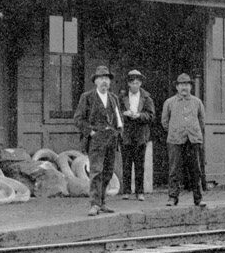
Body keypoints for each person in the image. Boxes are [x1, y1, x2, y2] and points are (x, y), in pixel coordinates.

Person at [73, 65, 124, 216]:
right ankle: (94, 204)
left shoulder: (113, 98)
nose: (104, 81)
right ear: (95, 81)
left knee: (108, 172)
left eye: (106, 78)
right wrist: (91, 132)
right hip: (96, 140)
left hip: (111, 139)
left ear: (110, 82)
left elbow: (119, 118)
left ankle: (102, 202)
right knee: (96, 172)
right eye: (101, 78)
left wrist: (118, 132)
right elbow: (78, 119)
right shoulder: (87, 97)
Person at [160, 73, 205, 207]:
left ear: (191, 86)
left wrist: (193, 132)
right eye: (181, 85)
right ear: (177, 87)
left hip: (193, 140)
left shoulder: (197, 102)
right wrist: (176, 130)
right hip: (175, 140)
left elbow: (202, 121)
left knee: (195, 170)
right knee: (174, 170)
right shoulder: (169, 102)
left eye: (186, 84)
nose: (184, 87)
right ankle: (172, 197)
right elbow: (164, 122)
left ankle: (198, 198)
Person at [119, 69, 156, 201]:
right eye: (132, 83)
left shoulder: (147, 98)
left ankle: (140, 192)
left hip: (141, 134)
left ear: (140, 83)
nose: (135, 85)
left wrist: (139, 115)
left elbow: (151, 116)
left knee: (140, 164)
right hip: (126, 134)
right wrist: (124, 114)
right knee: (126, 164)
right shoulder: (121, 97)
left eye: (137, 83)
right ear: (128, 84)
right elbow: (116, 113)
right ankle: (126, 191)